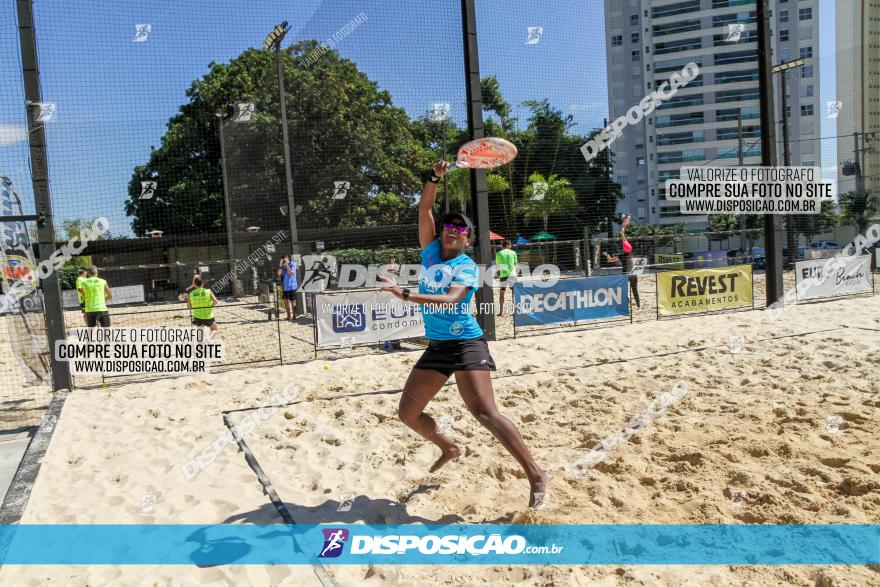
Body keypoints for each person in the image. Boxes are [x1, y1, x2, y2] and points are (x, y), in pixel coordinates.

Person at [380, 160, 548, 510]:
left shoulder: (466, 267)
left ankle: (535, 474)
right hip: (438, 347)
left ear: (468, 238)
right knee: (408, 415)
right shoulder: (429, 253)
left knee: (486, 413)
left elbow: (451, 298)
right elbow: (425, 207)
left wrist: (405, 293)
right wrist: (432, 178)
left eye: (460, 228)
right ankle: (449, 447)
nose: (452, 230)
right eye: (448, 226)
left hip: (467, 344)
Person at [603, 215, 641, 309]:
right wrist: (622, 232)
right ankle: (638, 306)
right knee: (635, 290)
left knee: (622, 290)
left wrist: (607, 255)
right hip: (633, 274)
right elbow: (625, 242)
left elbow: (610, 260)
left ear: (623, 248)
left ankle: (626, 302)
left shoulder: (622, 256)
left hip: (625, 275)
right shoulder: (630, 253)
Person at [383, 257, 402, 351]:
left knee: (395, 321)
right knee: (389, 321)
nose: (393, 260)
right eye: (391, 258)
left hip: (394, 295)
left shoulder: (396, 266)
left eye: (394, 258)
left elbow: (398, 273)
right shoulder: (386, 268)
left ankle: (395, 343)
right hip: (389, 298)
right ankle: (389, 343)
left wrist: (394, 272)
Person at [494, 240, 518, 316]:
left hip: (503, 275)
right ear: (508, 245)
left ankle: (501, 312)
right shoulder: (513, 252)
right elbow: (515, 264)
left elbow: (498, 265)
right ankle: (515, 311)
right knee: (514, 293)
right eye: (510, 244)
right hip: (512, 274)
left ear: (502, 245)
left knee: (502, 293)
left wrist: (498, 274)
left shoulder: (499, 253)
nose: (511, 246)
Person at [278, 255, 298, 321]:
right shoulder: (282, 266)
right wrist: (281, 266)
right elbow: (279, 274)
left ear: (288, 258)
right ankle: (288, 316)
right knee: (285, 302)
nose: (284, 260)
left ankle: (294, 315)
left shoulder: (293, 264)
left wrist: (287, 265)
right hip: (285, 287)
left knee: (293, 302)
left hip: (292, 286)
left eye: (285, 259)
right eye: (283, 259)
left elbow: (291, 273)